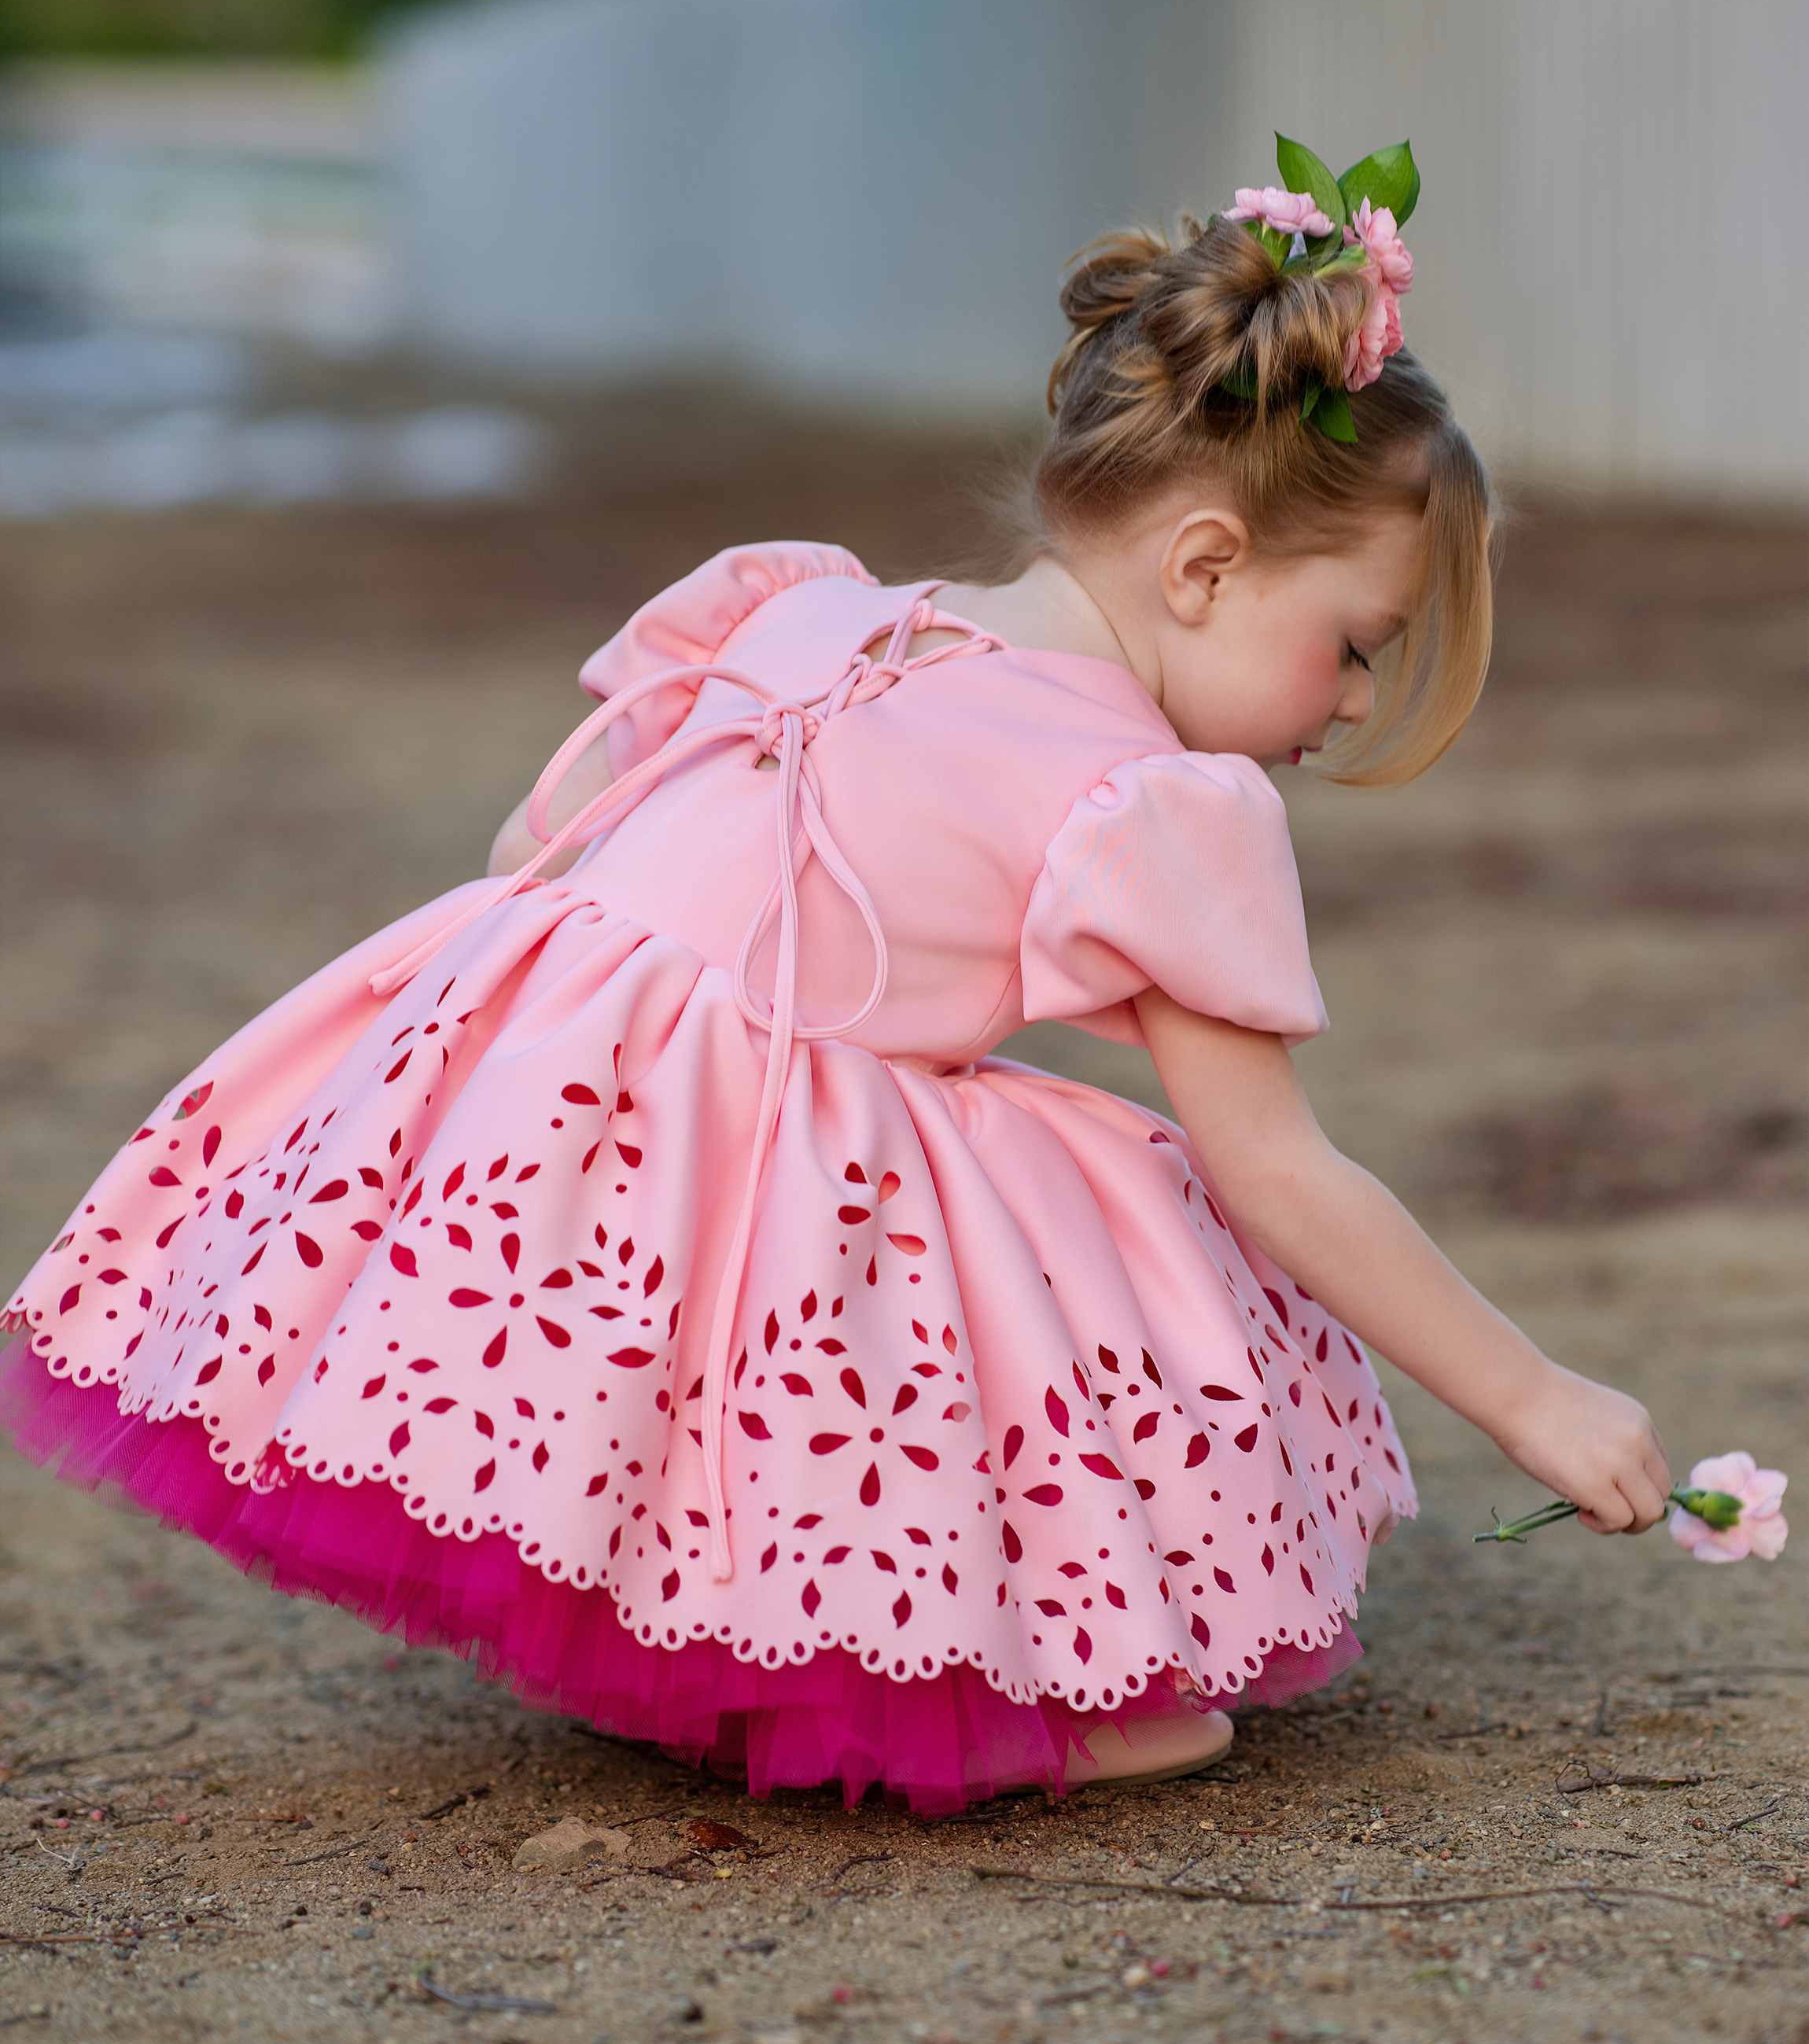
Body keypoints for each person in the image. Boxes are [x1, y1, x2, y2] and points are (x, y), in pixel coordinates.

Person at [0, 143, 1671, 1816]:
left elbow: (552, 837)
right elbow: (1280, 1171)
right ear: (1205, 568)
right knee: (1030, 1220)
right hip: (712, 1147)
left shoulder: (801, 609)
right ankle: (903, 1672)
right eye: (1358, 644)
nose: (1358, 703)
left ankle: (688, 1631)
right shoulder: (1151, 797)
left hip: (532, 1095)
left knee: (854, 1166)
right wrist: (1531, 1396)